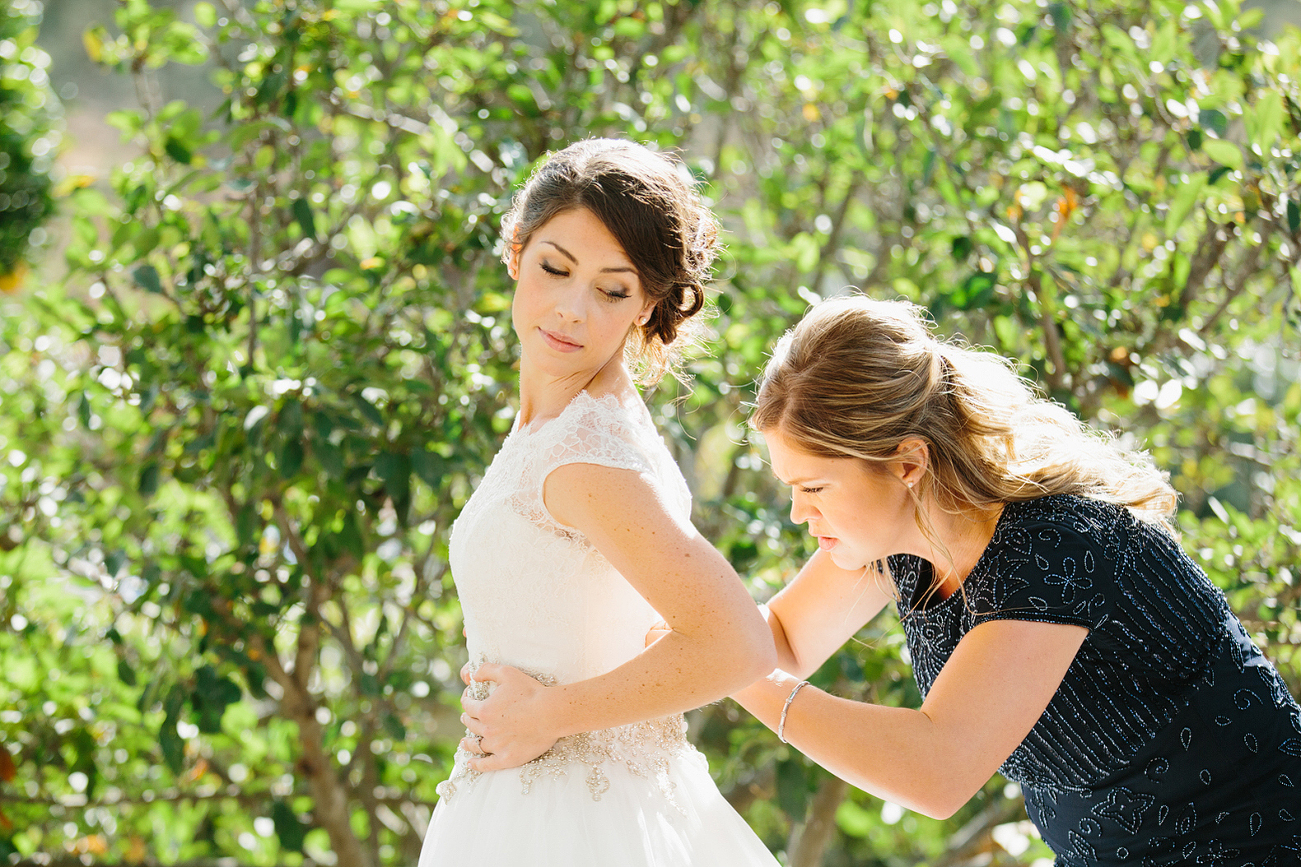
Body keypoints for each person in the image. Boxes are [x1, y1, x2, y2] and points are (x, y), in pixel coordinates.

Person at [730, 294, 1301, 866]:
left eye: (815, 489)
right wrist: (675, 625)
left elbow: (936, 769)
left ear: (907, 463)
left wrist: (737, 672)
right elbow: (781, 638)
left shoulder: (1057, 545)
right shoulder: (897, 535)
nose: (799, 515)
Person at [418, 139, 781, 866]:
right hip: (521, 809)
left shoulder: (586, 454)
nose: (571, 309)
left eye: (612, 290)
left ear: (647, 302)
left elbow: (736, 642)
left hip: (579, 826)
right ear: (516, 251)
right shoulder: (558, 422)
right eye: (555, 268)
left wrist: (548, 713)